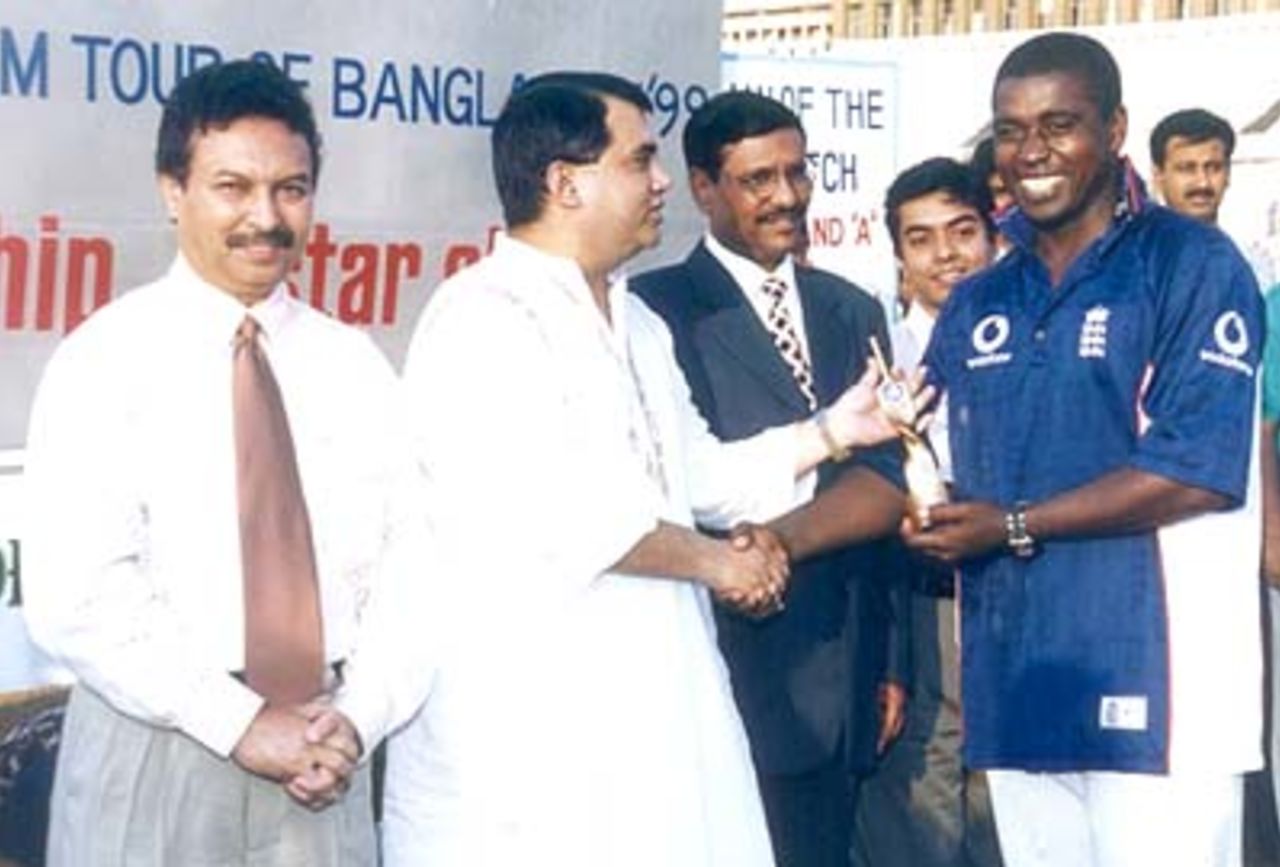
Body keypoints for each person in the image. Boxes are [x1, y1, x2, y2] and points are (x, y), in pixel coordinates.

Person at [383, 71, 913, 867]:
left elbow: (697, 477)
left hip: (658, 709)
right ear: (565, 183)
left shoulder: (634, 318)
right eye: (640, 160)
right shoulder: (482, 317)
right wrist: (720, 562)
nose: (663, 181)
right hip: (532, 732)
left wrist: (834, 430)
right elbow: (559, 516)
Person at [22, 60, 437, 866]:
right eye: (232, 187)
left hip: (324, 761)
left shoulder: (354, 366)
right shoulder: (105, 360)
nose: (267, 217)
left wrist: (356, 715)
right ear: (172, 190)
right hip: (159, 745)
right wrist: (239, 722)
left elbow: (412, 575)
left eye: (292, 187)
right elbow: (76, 592)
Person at [905, 32, 1263, 867]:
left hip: (1166, 702)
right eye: (1010, 129)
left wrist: (1012, 523)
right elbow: (907, 446)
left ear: (1115, 130)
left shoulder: (1190, 262)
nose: (1032, 152)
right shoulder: (983, 295)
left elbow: (1196, 471)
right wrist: (782, 531)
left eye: (1059, 124)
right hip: (1020, 687)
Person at [632, 90, 909, 867]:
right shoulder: (654, 313)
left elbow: (889, 478)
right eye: (758, 179)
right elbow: (676, 488)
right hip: (728, 669)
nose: (786, 196)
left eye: (796, 172)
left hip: (846, 671)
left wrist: (889, 663)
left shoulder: (851, 308)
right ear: (703, 188)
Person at [852, 157, 1003, 867]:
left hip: (1015, 586)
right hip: (920, 603)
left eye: (962, 230)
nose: (945, 253)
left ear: (993, 234)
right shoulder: (877, 362)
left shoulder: (1031, 342)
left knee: (1006, 801)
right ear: (899, 256)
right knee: (926, 804)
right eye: (921, 238)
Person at [1149, 108, 1234, 227]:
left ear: (1228, 174)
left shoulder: (1244, 243)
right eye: (1186, 169)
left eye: (1213, 168)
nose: (1203, 183)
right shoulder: (1137, 243)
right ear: (1158, 176)